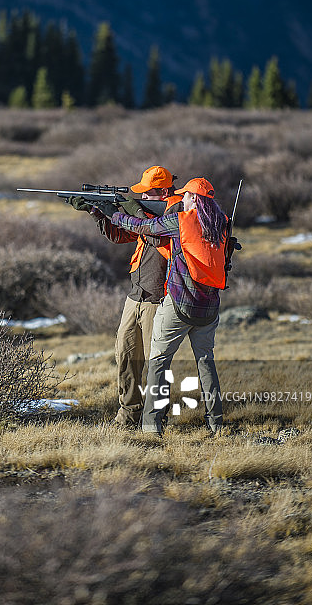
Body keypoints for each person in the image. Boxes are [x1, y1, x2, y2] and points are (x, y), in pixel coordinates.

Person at [109, 177, 228, 437]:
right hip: (209, 309)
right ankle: (216, 424)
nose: (181, 199)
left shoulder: (182, 220)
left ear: (194, 199)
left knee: (158, 362)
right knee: (206, 363)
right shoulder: (222, 224)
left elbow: (144, 227)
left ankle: (151, 426)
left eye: (185, 195)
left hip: (178, 305)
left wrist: (115, 215)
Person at [69, 166, 182, 429]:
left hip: (160, 297)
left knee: (156, 363)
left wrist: (133, 212)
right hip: (136, 295)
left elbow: (156, 235)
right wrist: (99, 213)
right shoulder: (150, 212)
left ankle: (156, 418)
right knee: (126, 355)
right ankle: (128, 415)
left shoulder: (177, 211)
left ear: (164, 191)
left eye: (148, 193)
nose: (142, 196)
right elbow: (120, 235)